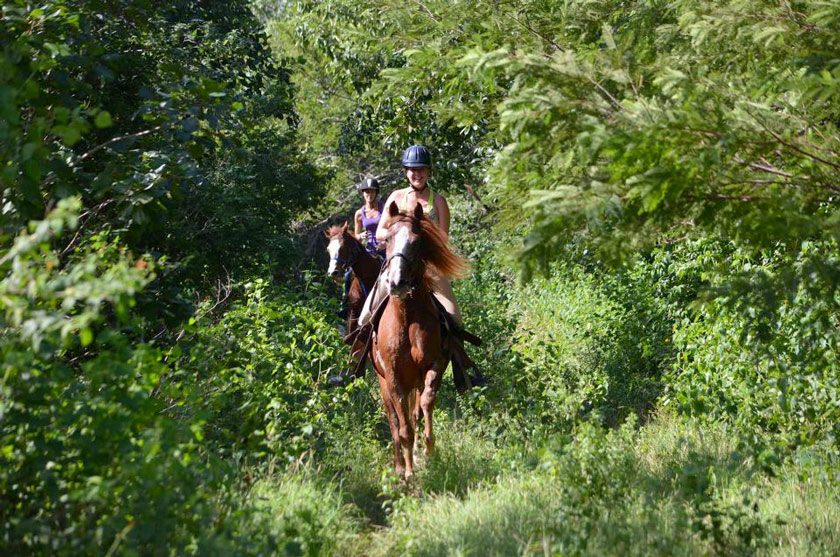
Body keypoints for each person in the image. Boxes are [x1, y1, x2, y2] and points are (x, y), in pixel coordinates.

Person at [355, 145, 486, 390]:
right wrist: (400, 232)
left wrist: (422, 237)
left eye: (422, 170)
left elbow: (443, 239)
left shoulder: (438, 201)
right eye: (413, 170)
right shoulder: (396, 197)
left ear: (429, 172)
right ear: (406, 172)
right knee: (364, 315)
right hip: (397, 268)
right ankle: (356, 366)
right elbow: (382, 230)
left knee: (455, 319)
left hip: (429, 270)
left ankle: (463, 371)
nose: (417, 174)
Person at [338, 178, 384, 319]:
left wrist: (385, 242)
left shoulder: (384, 208)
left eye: (371, 192)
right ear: (363, 194)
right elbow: (356, 235)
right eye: (366, 192)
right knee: (348, 273)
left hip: (383, 248)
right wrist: (361, 235)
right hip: (369, 249)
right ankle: (345, 303)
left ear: (376, 193)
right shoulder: (359, 213)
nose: (369, 194)